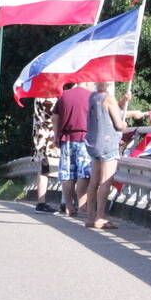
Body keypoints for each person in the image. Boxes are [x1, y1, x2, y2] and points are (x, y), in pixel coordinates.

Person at [84, 81, 145, 229]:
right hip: (108, 144)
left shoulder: (93, 96)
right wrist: (125, 125)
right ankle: (100, 218)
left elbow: (107, 112)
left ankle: (90, 217)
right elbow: (118, 124)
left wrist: (123, 102)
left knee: (94, 182)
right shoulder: (109, 98)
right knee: (105, 182)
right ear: (109, 84)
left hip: (94, 143)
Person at [51, 82, 93, 217]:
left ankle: (69, 206)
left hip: (66, 138)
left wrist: (56, 136)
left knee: (67, 174)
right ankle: (82, 206)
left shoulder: (63, 95)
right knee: (84, 173)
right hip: (85, 138)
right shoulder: (91, 96)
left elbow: (55, 117)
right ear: (87, 82)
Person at [32, 97, 60, 213]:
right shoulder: (48, 99)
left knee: (44, 169)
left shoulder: (38, 97)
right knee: (45, 169)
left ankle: (41, 202)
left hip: (41, 136)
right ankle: (41, 203)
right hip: (47, 137)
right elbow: (54, 116)